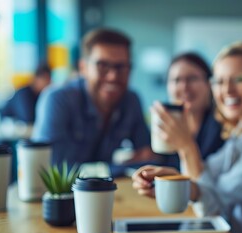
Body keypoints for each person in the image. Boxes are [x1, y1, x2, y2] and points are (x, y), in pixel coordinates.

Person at [132, 41, 242, 233]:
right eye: (219, 81)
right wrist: (174, 181)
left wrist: (186, 146)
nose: (227, 90)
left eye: (239, 79)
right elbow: (206, 174)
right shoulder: (241, 131)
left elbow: (216, 205)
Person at [32, 28, 156, 169]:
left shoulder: (131, 100)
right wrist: (117, 167)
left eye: (121, 67)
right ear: (83, 68)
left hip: (110, 190)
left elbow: (149, 158)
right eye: (102, 66)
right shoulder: (57, 99)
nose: (113, 76)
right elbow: (55, 170)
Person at [162, 52, 225, 170]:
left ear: (209, 83)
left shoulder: (224, 128)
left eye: (192, 78)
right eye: (176, 80)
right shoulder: (165, 127)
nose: (184, 86)